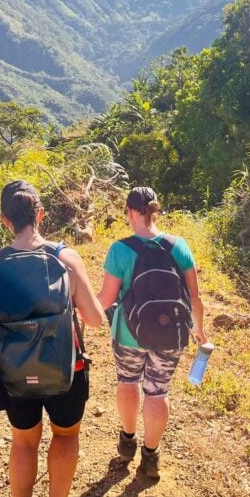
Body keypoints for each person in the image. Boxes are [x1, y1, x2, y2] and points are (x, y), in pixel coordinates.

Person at [0, 180, 105, 497]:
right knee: (65, 435)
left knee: (23, 442)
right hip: (66, 369)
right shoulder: (66, 258)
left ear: (5, 219)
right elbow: (94, 320)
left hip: (14, 371)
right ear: (41, 214)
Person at [97, 186, 206, 479]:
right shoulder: (179, 246)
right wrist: (200, 332)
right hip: (171, 335)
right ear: (154, 211)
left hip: (129, 335)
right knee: (157, 393)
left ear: (131, 212)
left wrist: (81, 308)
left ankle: (127, 440)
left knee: (128, 382)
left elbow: (106, 300)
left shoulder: (120, 250)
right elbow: (195, 298)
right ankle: (150, 456)